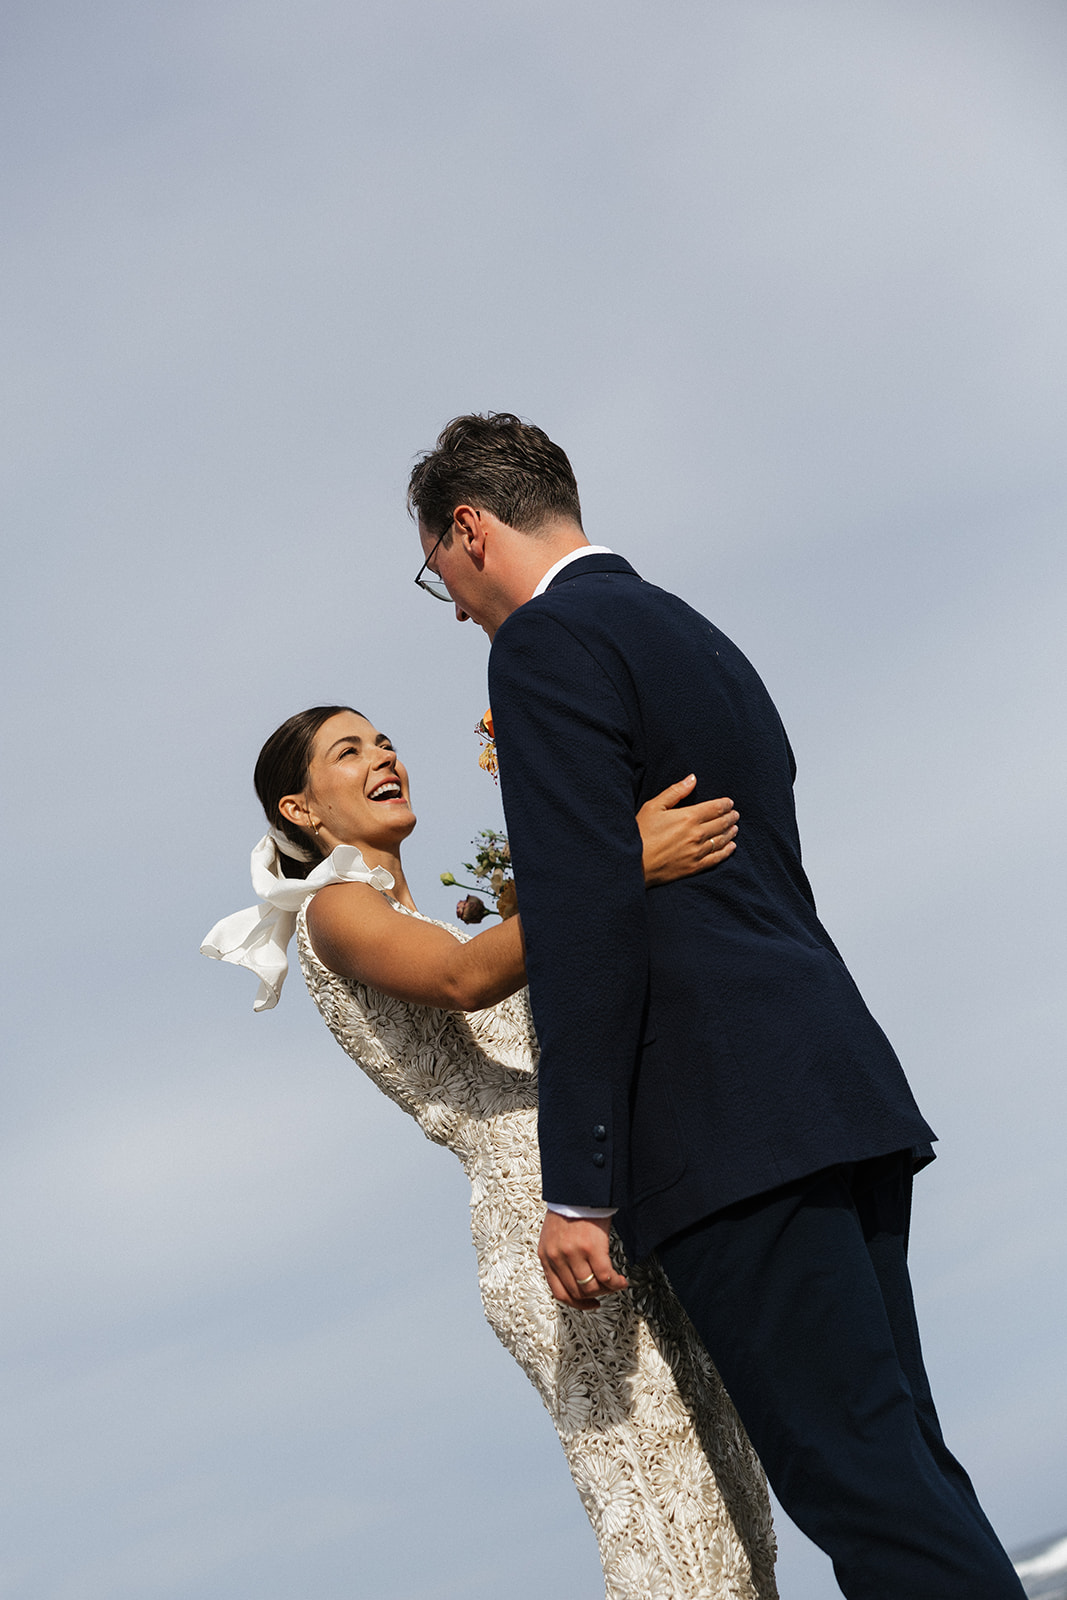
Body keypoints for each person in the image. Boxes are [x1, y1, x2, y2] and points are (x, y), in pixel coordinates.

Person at [407, 413, 1027, 1600]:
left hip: (725, 1125)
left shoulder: (539, 648)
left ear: (469, 528)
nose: (449, 605)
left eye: (435, 571)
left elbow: (587, 926)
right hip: (831, 1078)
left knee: (858, 1481)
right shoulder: (693, 634)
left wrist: (578, 1181)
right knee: (904, 1470)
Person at [202, 704, 779, 1599]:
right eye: (347, 752)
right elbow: (463, 981)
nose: (382, 755)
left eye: (383, 740)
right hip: (538, 1212)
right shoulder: (333, 909)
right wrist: (620, 862)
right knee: (663, 1512)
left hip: (598, 1185)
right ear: (302, 812)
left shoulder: (418, 911)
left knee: (722, 1499)